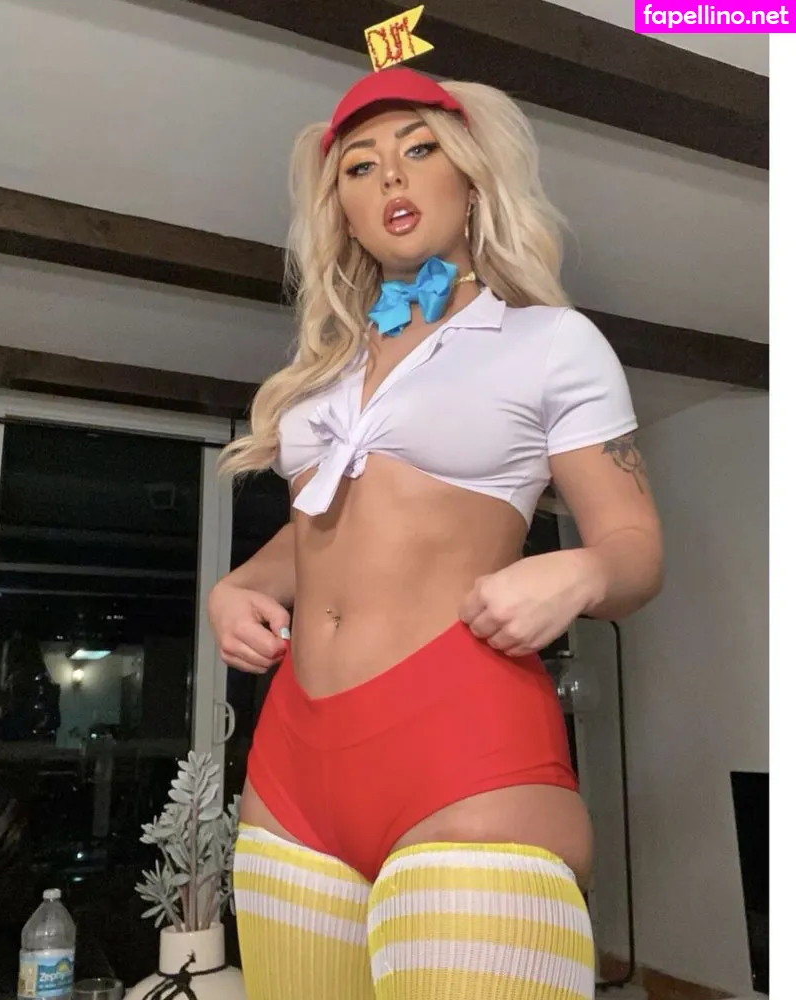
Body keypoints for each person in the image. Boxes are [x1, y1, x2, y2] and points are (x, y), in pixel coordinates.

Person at [209, 67, 663, 1000]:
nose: (391, 177)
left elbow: (634, 548)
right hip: (290, 765)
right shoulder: (324, 371)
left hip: (464, 743)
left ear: (470, 178)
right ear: (341, 208)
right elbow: (324, 528)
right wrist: (242, 582)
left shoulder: (550, 342)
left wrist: (578, 571)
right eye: (360, 166)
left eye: (420, 151)